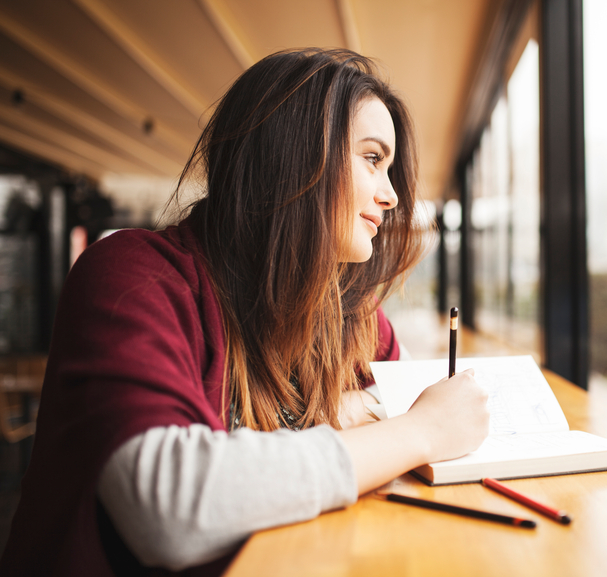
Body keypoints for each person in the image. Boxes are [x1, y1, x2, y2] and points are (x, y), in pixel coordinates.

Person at [0, 48, 490, 576]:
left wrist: (330, 424)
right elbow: (170, 508)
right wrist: (418, 432)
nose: (392, 196)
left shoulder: (350, 310)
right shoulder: (131, 274)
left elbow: (400, 395)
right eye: (373, 158)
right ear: (294, 155)